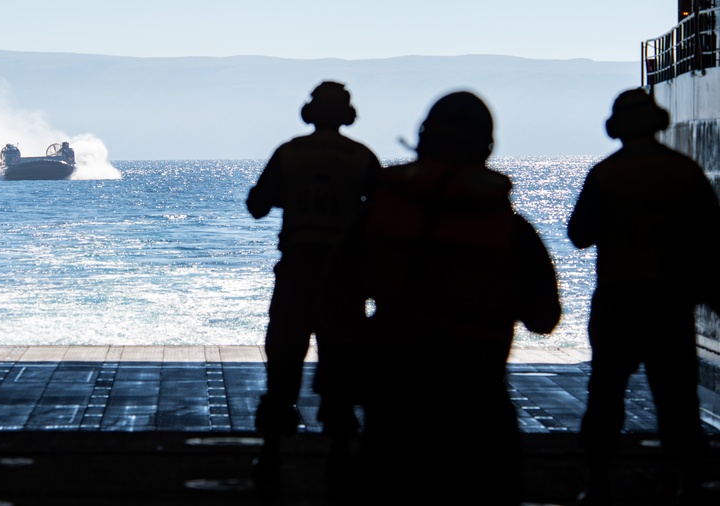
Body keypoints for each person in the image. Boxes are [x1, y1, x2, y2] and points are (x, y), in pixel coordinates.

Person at [356, 91, 561, 504]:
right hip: (477, 397)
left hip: (396, 394)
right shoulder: (512, 230)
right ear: (486, 148)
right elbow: (544, 318)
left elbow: (338, 292)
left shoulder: (377, 213)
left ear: (422, 140)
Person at [568, 88, 720, 506]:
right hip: (671, 302)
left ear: (616, 128)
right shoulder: (685, 172)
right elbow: (712, 236)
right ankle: (689, 484)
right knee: (677, 397)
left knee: (606, 393)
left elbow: (579, 235)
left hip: (618, 296)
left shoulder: (605, 174)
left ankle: (597, 484)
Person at [246, 80, 381, 485]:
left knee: (284, 363)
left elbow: (257, 206)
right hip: (344, 277)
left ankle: (271, 456)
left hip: (297, 271)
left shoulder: (289, 154)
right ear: (347, 115)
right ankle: (339, 457)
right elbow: (380, 214)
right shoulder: (362, 158)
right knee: (341, 363)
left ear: (309, 112)